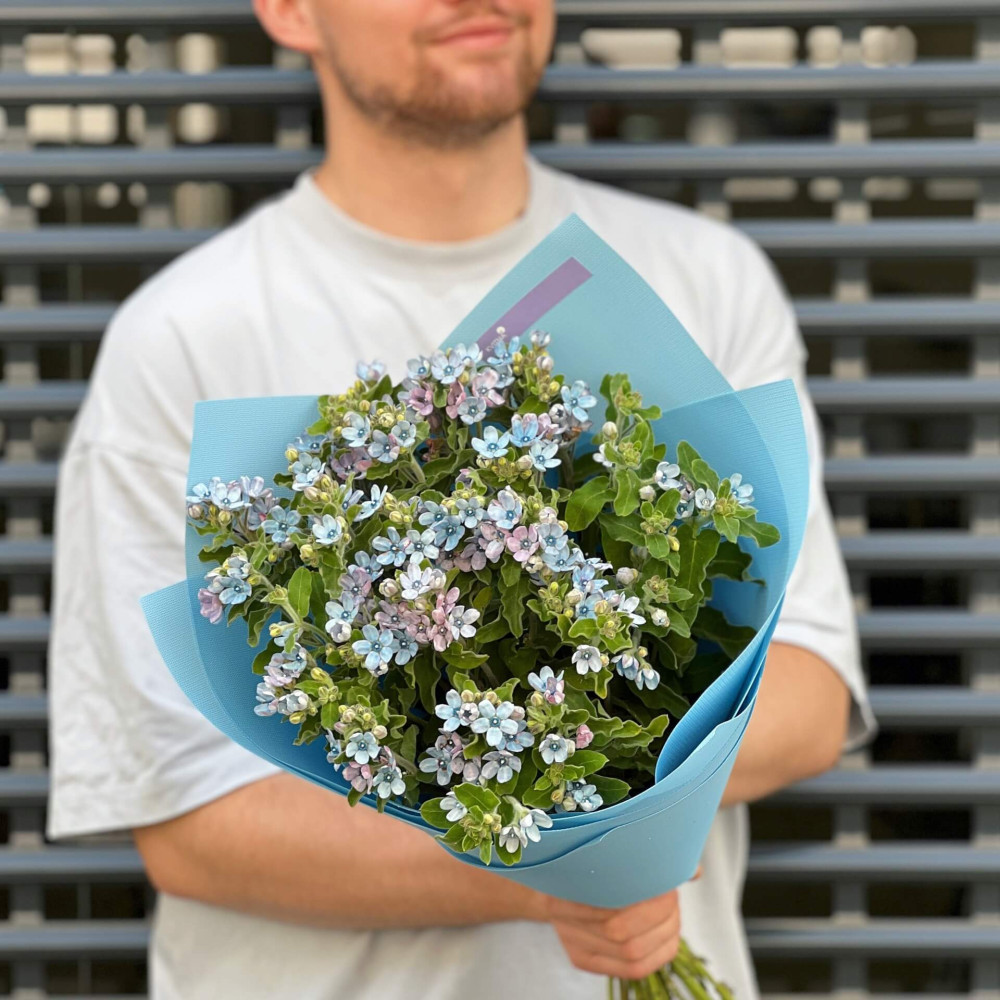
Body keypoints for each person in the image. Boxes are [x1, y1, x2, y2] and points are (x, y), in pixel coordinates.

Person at [46, 1, 877, 997]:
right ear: (289, 11)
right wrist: (554, 862)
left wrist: (579, 776)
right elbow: (188, 824)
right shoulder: (182, 337)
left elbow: (809, 695)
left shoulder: (702, 276)